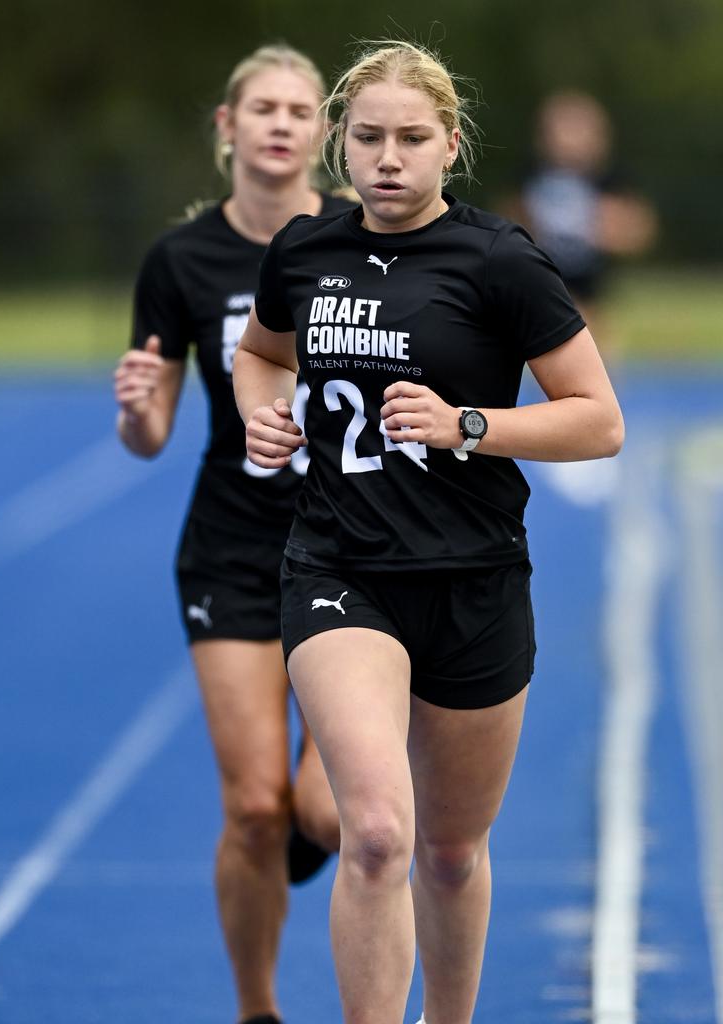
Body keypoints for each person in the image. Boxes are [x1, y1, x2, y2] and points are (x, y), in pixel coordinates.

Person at [232, 40, 624, 1024]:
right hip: (339, 570)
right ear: (340, 144)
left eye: (412, 138)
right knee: (372, 830)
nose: (389, 157)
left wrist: (470, 425)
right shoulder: (305, 251)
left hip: (475, 577)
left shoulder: (499, 258)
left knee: (451, 853)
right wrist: (262, 411)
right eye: (368, 137)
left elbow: (598, 418)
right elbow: (261, 355)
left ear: (450, 145)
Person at [113, 44, 348, 1024]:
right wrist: (134, 408)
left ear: (322, 132)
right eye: (264, 107)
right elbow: (151, 431)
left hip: (351, 545)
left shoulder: (360, 238)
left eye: (301, 108)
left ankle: (311, 824)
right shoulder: (181, 260)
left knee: (328, 814)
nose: (283, 123)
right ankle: (259, 1009)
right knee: (254, 806)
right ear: (229, 127)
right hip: (231, 548)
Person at [515, 89, 657, 350]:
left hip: (590, 285)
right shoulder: (532, 175)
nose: (567, 139)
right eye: (559, 129)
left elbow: (638, 228)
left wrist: (610, 233)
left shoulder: (608, 179)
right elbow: (511, 219)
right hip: (543, 279)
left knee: (591, 348)